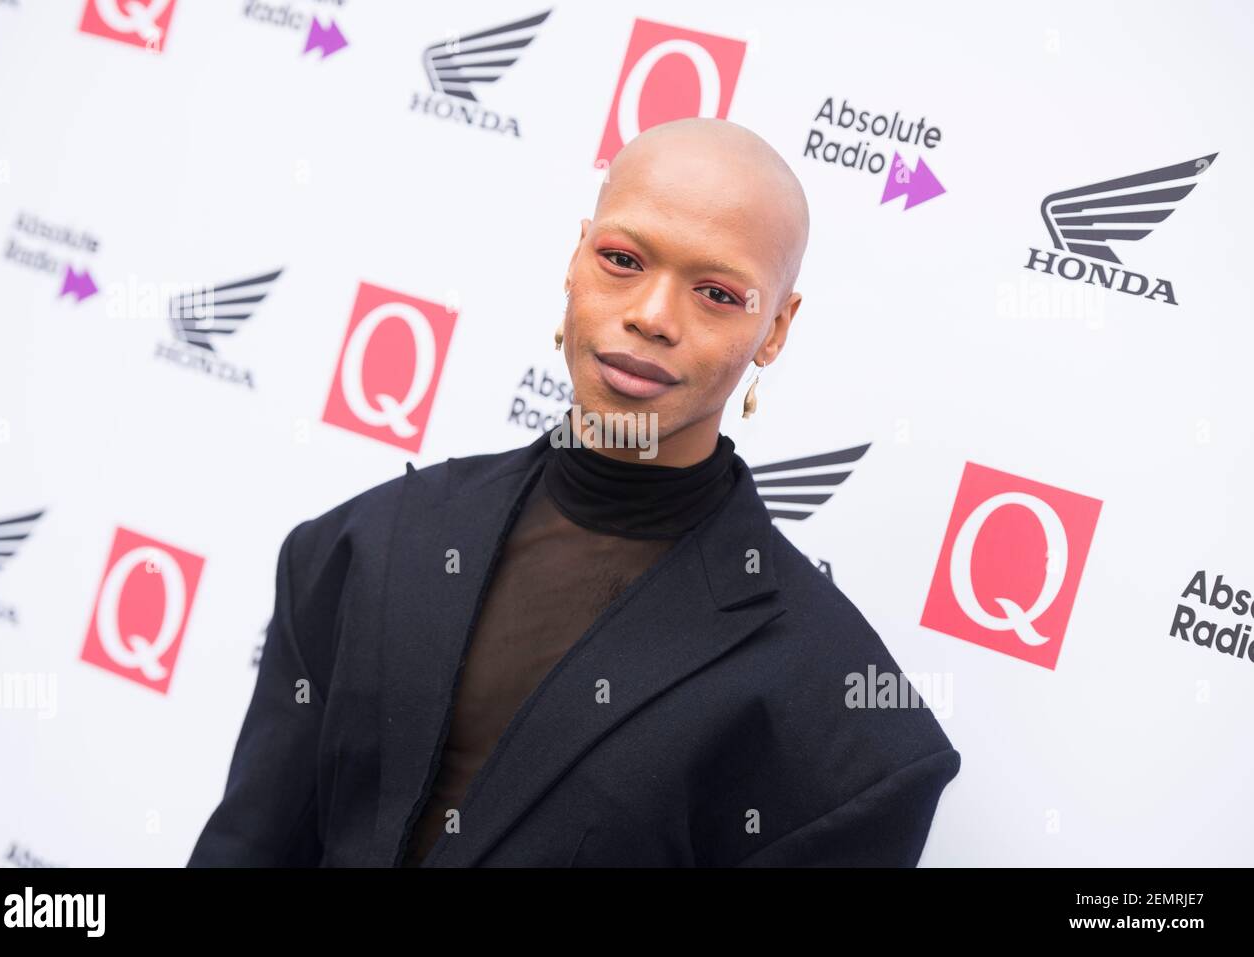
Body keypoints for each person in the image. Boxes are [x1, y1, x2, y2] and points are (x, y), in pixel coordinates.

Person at [187, 117, 961, 868]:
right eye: (623, 259)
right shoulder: (362, 547)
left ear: (777, 330)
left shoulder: (845, 731)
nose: (652, 317)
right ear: (575, 259)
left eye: (718, 294)